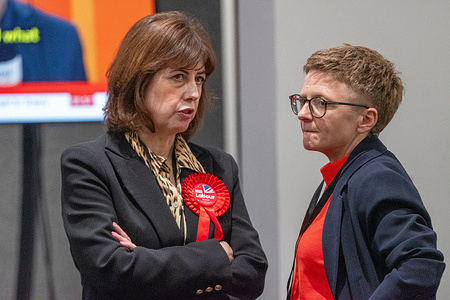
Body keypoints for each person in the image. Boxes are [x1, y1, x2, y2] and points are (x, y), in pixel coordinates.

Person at [61, 11, 267, 300]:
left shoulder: (219, 166)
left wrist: (147, 259)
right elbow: (111, 270)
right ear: (138, 81)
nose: (194, 92)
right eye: (178, 77)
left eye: (199, 79)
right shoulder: (90, 164)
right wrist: (216, 255)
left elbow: (253, 274)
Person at [286, 44, 445, 299]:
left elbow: (421, 264)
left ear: (366, 120)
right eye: (302, 101)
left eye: (320, 103)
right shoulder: (340, 176)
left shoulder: (377, 177)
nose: (303, 114)